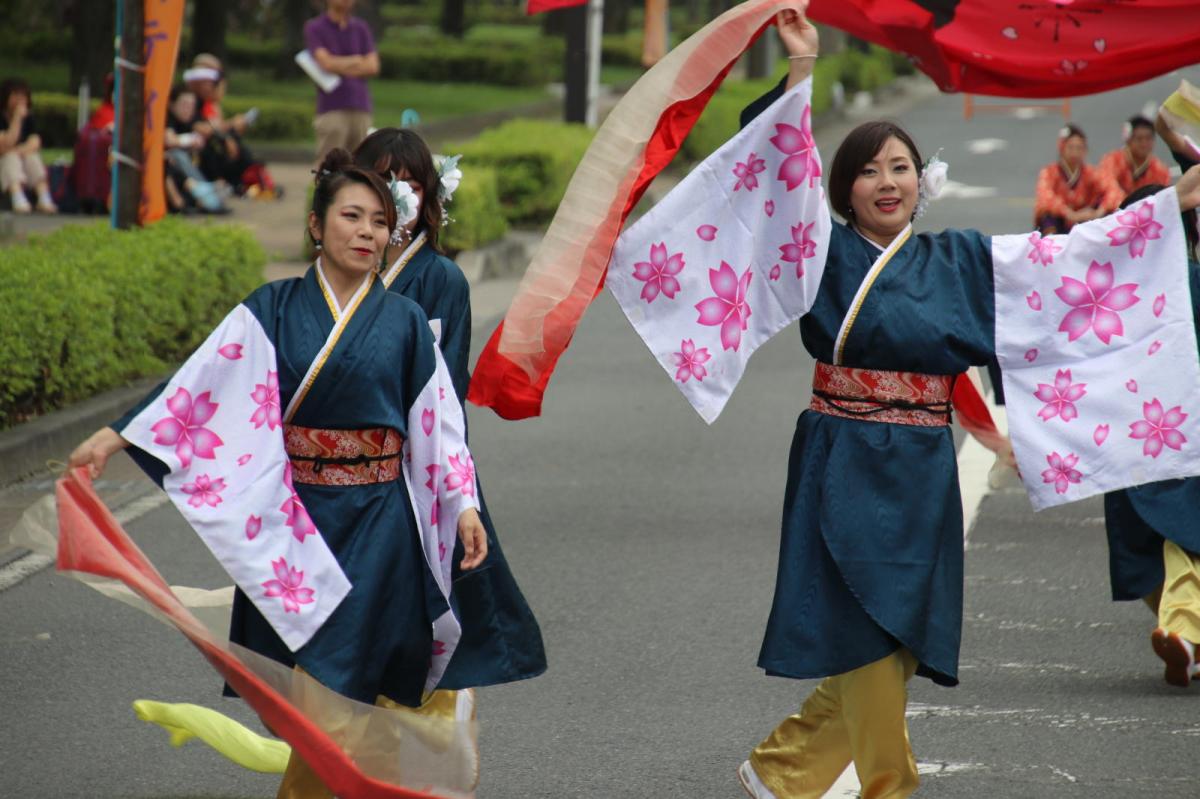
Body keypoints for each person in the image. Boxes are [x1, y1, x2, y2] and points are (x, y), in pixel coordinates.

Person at [695, 10, 1200, 799]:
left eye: (900, 166)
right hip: (846, 457)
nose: (887, 182)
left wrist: (1171, 205)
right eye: (868, 171)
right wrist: (801, 70)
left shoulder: (957, 259)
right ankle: (887, 787)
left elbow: (1063, 258)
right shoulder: (818, 251)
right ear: (844, 189)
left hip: (923, 465)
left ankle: (782, 770)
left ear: (919, 181)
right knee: (866, 630)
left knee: (892, 641)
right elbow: (771, 173)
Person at [67, 148, 488, 799]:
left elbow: (438, 425)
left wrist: (462, 504)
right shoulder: (271, 308)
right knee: (324, 702)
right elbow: (200, 385)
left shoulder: (405, 322)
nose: (367, 232)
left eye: (379, 220)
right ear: (317, 225)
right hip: (300, 523)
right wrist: (117, 434)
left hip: (381, 524)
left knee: (351, 694)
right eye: (351, 215)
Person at [353, 128, 547, 705]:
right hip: (340, 471)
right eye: (386, 181)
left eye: (411, 182)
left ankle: (422, 750)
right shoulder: (340, 271)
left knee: (429, 607)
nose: (400, 194)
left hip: (420, 462)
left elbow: (445, 394)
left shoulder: (441, 280)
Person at [1102, 183, 1200, 687]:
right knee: (1148, 555)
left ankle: (1182, 631)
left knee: (1183, 541)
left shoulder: (1188, 283)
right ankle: (1185, 636)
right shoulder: (1113, 296)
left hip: (1183, 445)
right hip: (1139, 444)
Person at [183, 54, 278, 198]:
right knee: (226, 142)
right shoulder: (189, 99)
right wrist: (229, 128)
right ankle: (249, 182)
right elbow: (200, 126)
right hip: (199, 146)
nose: (215, 83)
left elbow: (215, 123)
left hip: (211, 142)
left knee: (234, 141)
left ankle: (253, 180)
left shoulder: (208, 102)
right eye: (213, 80)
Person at [305, 0, 379, 163]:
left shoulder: (361, 28)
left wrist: (337, 65)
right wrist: (357, 60)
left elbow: (373, 66)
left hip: (360, 106)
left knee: (360, 164)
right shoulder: (315, 27)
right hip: (332, 106)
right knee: (329, 165)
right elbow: (325, 63)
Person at [1033, 123, 1121, 234]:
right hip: (1060, 222)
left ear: (1085, 150)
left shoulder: (1091, 173)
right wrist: (1069, 214)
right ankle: (1050, 246)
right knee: (1047, 214)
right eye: (1070, 147)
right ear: (1062, 148)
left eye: (1079, 148)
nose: (1075, 153)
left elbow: (1114, 191)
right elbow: (1045, 198)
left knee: (1109, 210)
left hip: (1085, 221)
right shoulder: (1049, 172)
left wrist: (1099, 211)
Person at [164, 84, 228, 214]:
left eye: (191, 106)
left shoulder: (191, 120)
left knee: (210, 150)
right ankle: (204, 194)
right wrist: (189, 139)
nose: (188, 109)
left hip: (185, 168)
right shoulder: (167, 118)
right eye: (184, 105)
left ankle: (211, 187)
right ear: (172, 104)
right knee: (178, 155)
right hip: (169, 164)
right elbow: (169, 140)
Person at [0, 77, 55, 214]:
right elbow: (5, 143)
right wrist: (17, 119)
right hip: (4, 161)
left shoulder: (29, 118)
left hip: (21, 157)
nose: (20, 100)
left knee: (32, 158)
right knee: (10, 158)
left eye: (23, 96)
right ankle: (17, 195)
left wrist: (17, 151)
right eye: (16, 95)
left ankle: (43, 196)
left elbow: (35, 142)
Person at [1098, 116, 1172, 197]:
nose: (1144, 144)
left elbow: (1163, 198)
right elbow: (1107, 189)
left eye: (1148, 139)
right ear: (1128, 140)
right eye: (1139, 139)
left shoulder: (1160, 171)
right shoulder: (1112, 161)